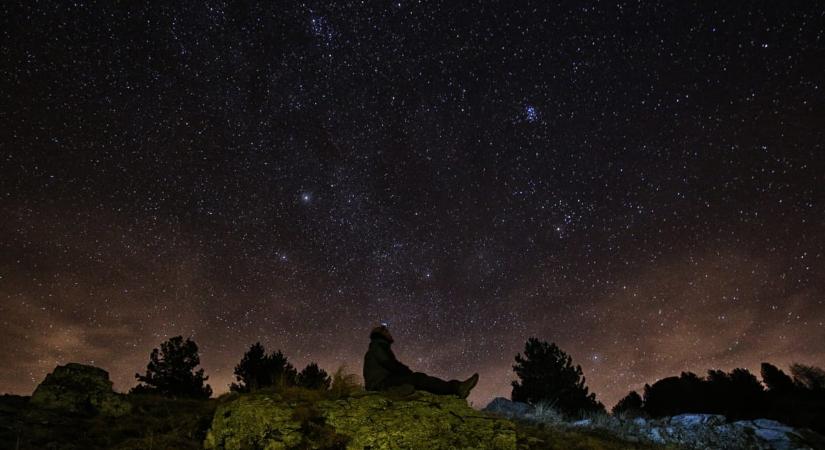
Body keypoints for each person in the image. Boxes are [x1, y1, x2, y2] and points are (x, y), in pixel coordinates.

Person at [363, 324, 479, 398]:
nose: (390, 334)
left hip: (380, 382)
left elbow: (389, 364)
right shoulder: (378, 346)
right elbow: (389, 363)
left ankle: (400, 389)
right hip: (381, 384)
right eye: (387, 332)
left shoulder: (377, 347)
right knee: (418, 378)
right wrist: (406, 371)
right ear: (381, 334)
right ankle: (456, 388)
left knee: (414, 378)